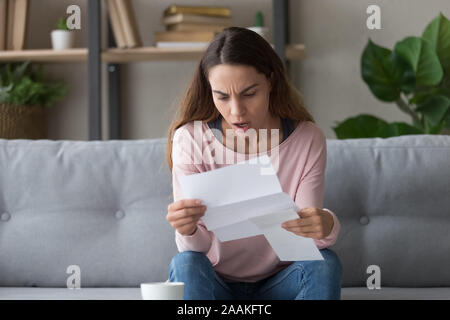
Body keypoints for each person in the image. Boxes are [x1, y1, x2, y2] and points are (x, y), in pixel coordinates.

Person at [165, 27, 342, 300]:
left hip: (281, 281)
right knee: (185, 263)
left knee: (325, 263)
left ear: (270, 81)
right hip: (215, 281)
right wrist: (187, 229)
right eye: (222, 96)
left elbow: (309, 241)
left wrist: (327, 224)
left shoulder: (306, 138)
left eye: (249, 93)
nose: (236, 111)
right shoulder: (190, 139)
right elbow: (195, 250)